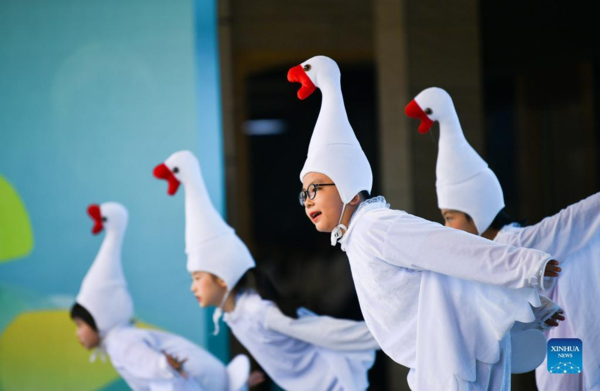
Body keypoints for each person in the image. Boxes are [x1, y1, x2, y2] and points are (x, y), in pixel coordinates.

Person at [288, 56, 562, 390]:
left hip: (459, 360)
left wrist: (525, 266)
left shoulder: (375, 226)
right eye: (304, 195)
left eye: (315, 189)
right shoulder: (358, 236)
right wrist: (530, 306)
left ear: (349, 188)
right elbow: (451, 274)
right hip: (440, 359)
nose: (309, 200)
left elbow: (448, 248)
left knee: (569, 378)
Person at [406, 86, 600, 391]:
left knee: (562, 385)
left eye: (449, 217)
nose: (445, 227)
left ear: (476, 214)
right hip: (534, 344)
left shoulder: (523, 243)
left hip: (567, 331)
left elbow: (577, 218)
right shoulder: (471, 262)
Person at [153, 150, 379, 391]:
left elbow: (323, 330)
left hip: (333, 384)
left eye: (197, 278)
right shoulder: (233, 314)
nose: (193, 287)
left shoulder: (257, 311)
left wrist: (384, 335)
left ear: (221, 279)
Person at [71, 202, 251, 391]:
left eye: (80, 324)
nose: (78, 333)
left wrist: (163, 365)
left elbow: (157, 369)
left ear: (99, 318)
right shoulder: (123, 338)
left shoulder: (120, 343)